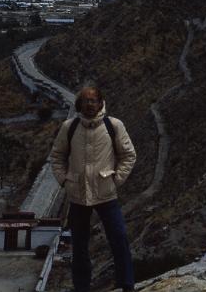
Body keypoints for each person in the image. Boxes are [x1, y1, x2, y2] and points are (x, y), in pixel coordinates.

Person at [50, 86, 137, 292]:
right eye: (86, 101)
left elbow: (128, 155)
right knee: (79, 246)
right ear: (80, 104)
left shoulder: (113, 125)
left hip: (106, 194)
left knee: (119, 239)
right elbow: (57, 157)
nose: (90, 104)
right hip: (78, 196)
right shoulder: (69, 127)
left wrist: (116, 180)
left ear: (100, 103)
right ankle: (82, 287)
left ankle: (126, 284)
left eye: (93, 100)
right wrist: (65, 181)